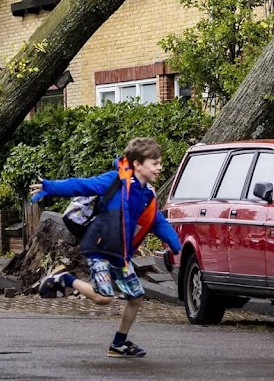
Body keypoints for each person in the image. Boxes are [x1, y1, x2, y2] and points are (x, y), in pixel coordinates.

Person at [29, 137, 182, 358]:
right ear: (138, 164)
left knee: (136, 296)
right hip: (99, 247)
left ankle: (119, 343)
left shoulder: (147, 194)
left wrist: (174, 243)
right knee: (104, 297)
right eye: (155, 163)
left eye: (159, 163)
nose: (160, 167)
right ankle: (64, 279)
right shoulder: (114, 180)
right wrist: (50, 187)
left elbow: (156, 220)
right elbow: (81, 184)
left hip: (119, 253)